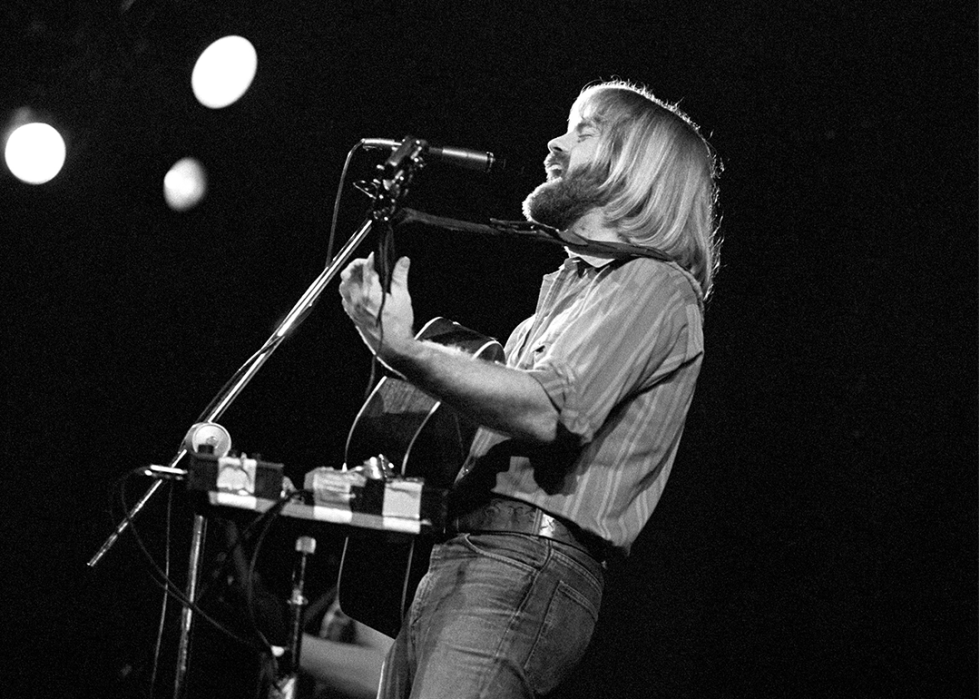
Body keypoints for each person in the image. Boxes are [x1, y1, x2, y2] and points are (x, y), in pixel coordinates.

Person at [338, 79, 721, 698]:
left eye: (583, 130)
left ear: (635, 166)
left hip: (523, 562)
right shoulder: (554, 307)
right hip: (467, 555)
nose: (554, 143)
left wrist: (407, 352)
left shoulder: (655, 286)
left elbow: (548, 410)